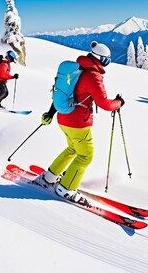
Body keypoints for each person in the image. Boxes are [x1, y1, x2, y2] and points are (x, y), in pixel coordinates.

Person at [35, 42, 124, 205]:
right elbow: (104, 103)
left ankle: (49, 177)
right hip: (77, 123)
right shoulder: (92, 75)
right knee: (85, 155)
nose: (107, 64)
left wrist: (50, 113)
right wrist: (118, 103)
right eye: (106, 61)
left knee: (73, 149)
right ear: (100, 59)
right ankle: (66, 189)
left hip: (63, 118)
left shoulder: (77, 69)